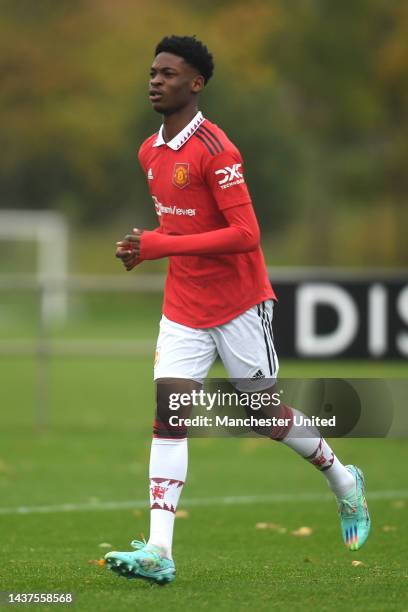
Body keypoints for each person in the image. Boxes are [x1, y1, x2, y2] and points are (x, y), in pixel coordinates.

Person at [105, 35, 370, 584]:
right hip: (184, 306)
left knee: (261, 415)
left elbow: (246, 235)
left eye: (169, 73)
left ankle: (343, 479)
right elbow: (181, 230)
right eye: (153, 71)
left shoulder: (217, 150)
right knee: (169, 413)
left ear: (196, 84)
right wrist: (145, 245)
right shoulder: (148, 151)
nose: (155, 80)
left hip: (239, 305)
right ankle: (159, 550)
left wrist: (162, 245)